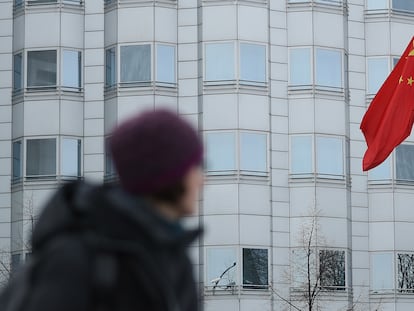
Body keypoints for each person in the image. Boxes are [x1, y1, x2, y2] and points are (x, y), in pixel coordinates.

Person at [24, 109, 204, 311]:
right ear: (168, 175)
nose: (203, 180)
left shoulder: (177, 262)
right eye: (196, 166)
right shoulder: (76, 258)